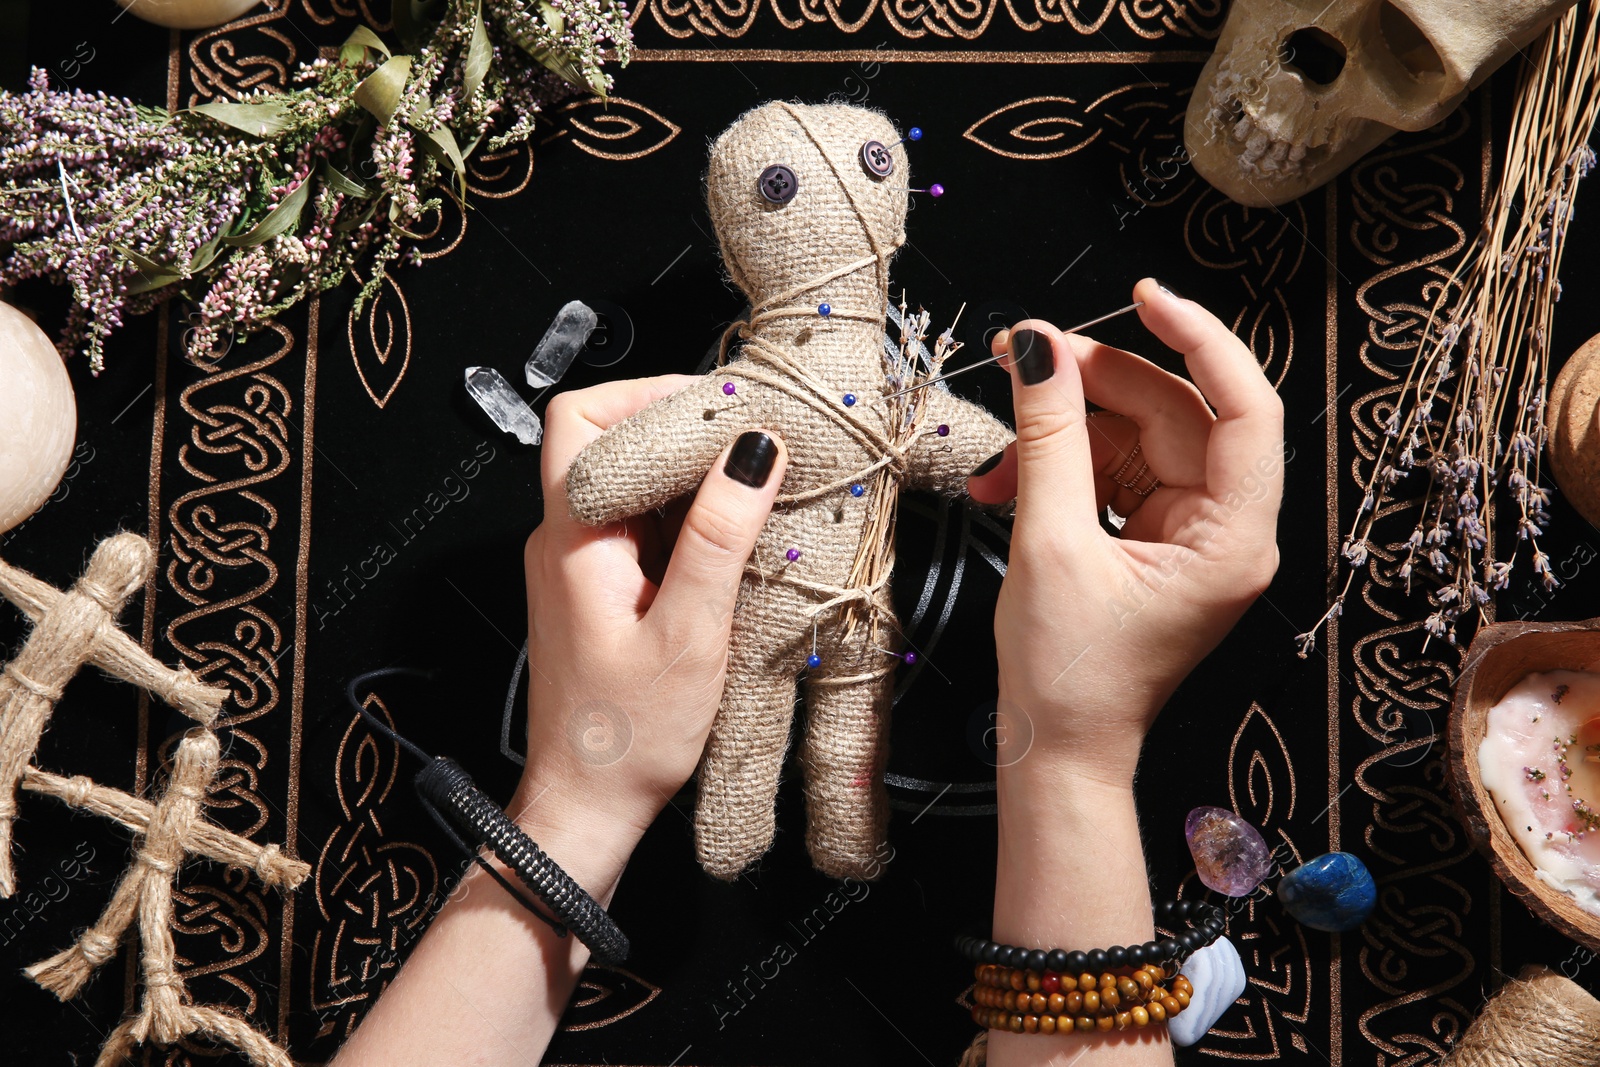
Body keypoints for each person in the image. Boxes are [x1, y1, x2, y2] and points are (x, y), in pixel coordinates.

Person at [330, 277, 1284, 1067]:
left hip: (854, 626)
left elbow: (961, 446)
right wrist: (1075, 752)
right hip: (781, 632)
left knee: (844, 733)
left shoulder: (867, 402)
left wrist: (580, 797)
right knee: (763, 728)